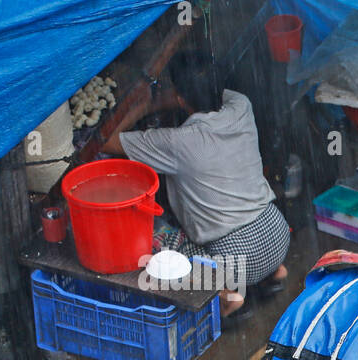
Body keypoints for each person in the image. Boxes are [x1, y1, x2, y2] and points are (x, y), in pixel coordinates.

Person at [106, 50, 290, 319]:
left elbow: (109, 140)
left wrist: (146, 105)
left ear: (180, 98)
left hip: (235, 261)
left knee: (160, 240)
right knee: (253, 245)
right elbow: (207, 92)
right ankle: (275, 273)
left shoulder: (177, 142)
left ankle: (228, 297)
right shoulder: (241, 105)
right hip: (276, 232)